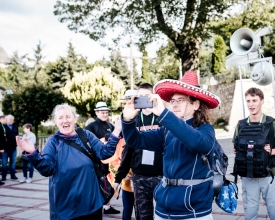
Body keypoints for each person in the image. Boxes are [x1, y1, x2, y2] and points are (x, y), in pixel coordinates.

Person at [121, 71, 220, 219]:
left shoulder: (206, 130)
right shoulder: (166, 130)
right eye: (173, 100)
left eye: (180, 100)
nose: (174, 104)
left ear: (196, 104)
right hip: (163, 209)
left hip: (194, 211)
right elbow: (135, 140)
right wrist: (127, 120)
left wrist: (163, 113)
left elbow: (196, 143)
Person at [16, 104, 122, 220]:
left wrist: (116, 131)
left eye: (68, 116)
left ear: (75, 119)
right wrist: (33, 153)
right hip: (66, 207)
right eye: (60, 118)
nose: (65, 120)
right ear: (56, 121)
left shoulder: (86, 135)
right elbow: (47, 169)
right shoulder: (53, 142)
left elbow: (104, 152)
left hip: (92, 203)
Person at [232, 87, 275, 220]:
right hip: (248, 176)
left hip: (270, 175)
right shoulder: (240, 125)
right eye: (248, 101)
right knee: (250, 214)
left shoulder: (273, 124)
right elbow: (235, 146)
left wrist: (272, 151)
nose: (251, 104)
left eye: (254, 100)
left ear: (262, 101)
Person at [114, 83, 162, 220]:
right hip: (140, 176)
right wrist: (119, 176)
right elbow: (127, 149)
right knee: (142, 215)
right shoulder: (133, 119)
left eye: (146, 96)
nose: (143, 99)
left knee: (164, 214)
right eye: (139, 96)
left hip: (161, 175)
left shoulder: (161, 118)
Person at [85, 101, 120, 215]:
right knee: (96, 184)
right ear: (97, 113)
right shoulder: (91, 126)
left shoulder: (110, 125)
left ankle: (107, 206)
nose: (105, 114)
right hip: (96, 161)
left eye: (106, 112)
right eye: (102, 112)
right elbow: (86, 142)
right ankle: (96, 207)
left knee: (107, 184)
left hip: (110, 161)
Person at [2, 115, 19, 181]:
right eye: (10, 120)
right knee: (4, 163)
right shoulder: (3, 127)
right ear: (6, 120)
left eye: (12, 120)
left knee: (13, 163)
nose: (11, 121)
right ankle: (3, 176)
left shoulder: (15, 126)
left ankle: (13, 175)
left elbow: (17, 135)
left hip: (13, 147)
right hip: (5, 148)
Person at [0, 115, 7, 185]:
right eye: (5, 119)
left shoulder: (2, 125)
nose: (6, 120)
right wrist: (1, 148)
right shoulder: (0, 126)